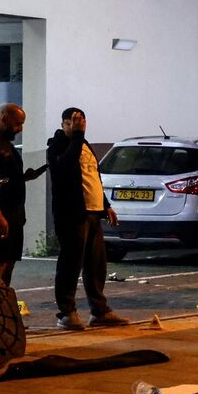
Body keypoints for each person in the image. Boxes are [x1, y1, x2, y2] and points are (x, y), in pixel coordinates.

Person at [46, 107, 127, 330]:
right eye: (74, 120)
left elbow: (94, 177)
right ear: (64, 123)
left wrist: (106, 206)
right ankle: (66, 312)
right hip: (71, 214)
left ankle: (99, 311)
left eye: (82, 120)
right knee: (70, 263)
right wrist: (78, 136)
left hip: (92, 211)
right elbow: (65, 166)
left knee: (96, 264)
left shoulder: (85, 145)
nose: (80, 124)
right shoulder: (57, 145)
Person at [0, 104, 47, 285]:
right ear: (4, 118)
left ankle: (2, 308)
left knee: (7, 268)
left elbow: (0, 180)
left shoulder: (6, 145)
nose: (20, 129)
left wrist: (21, 178)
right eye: (17, 124)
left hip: (13, 217)